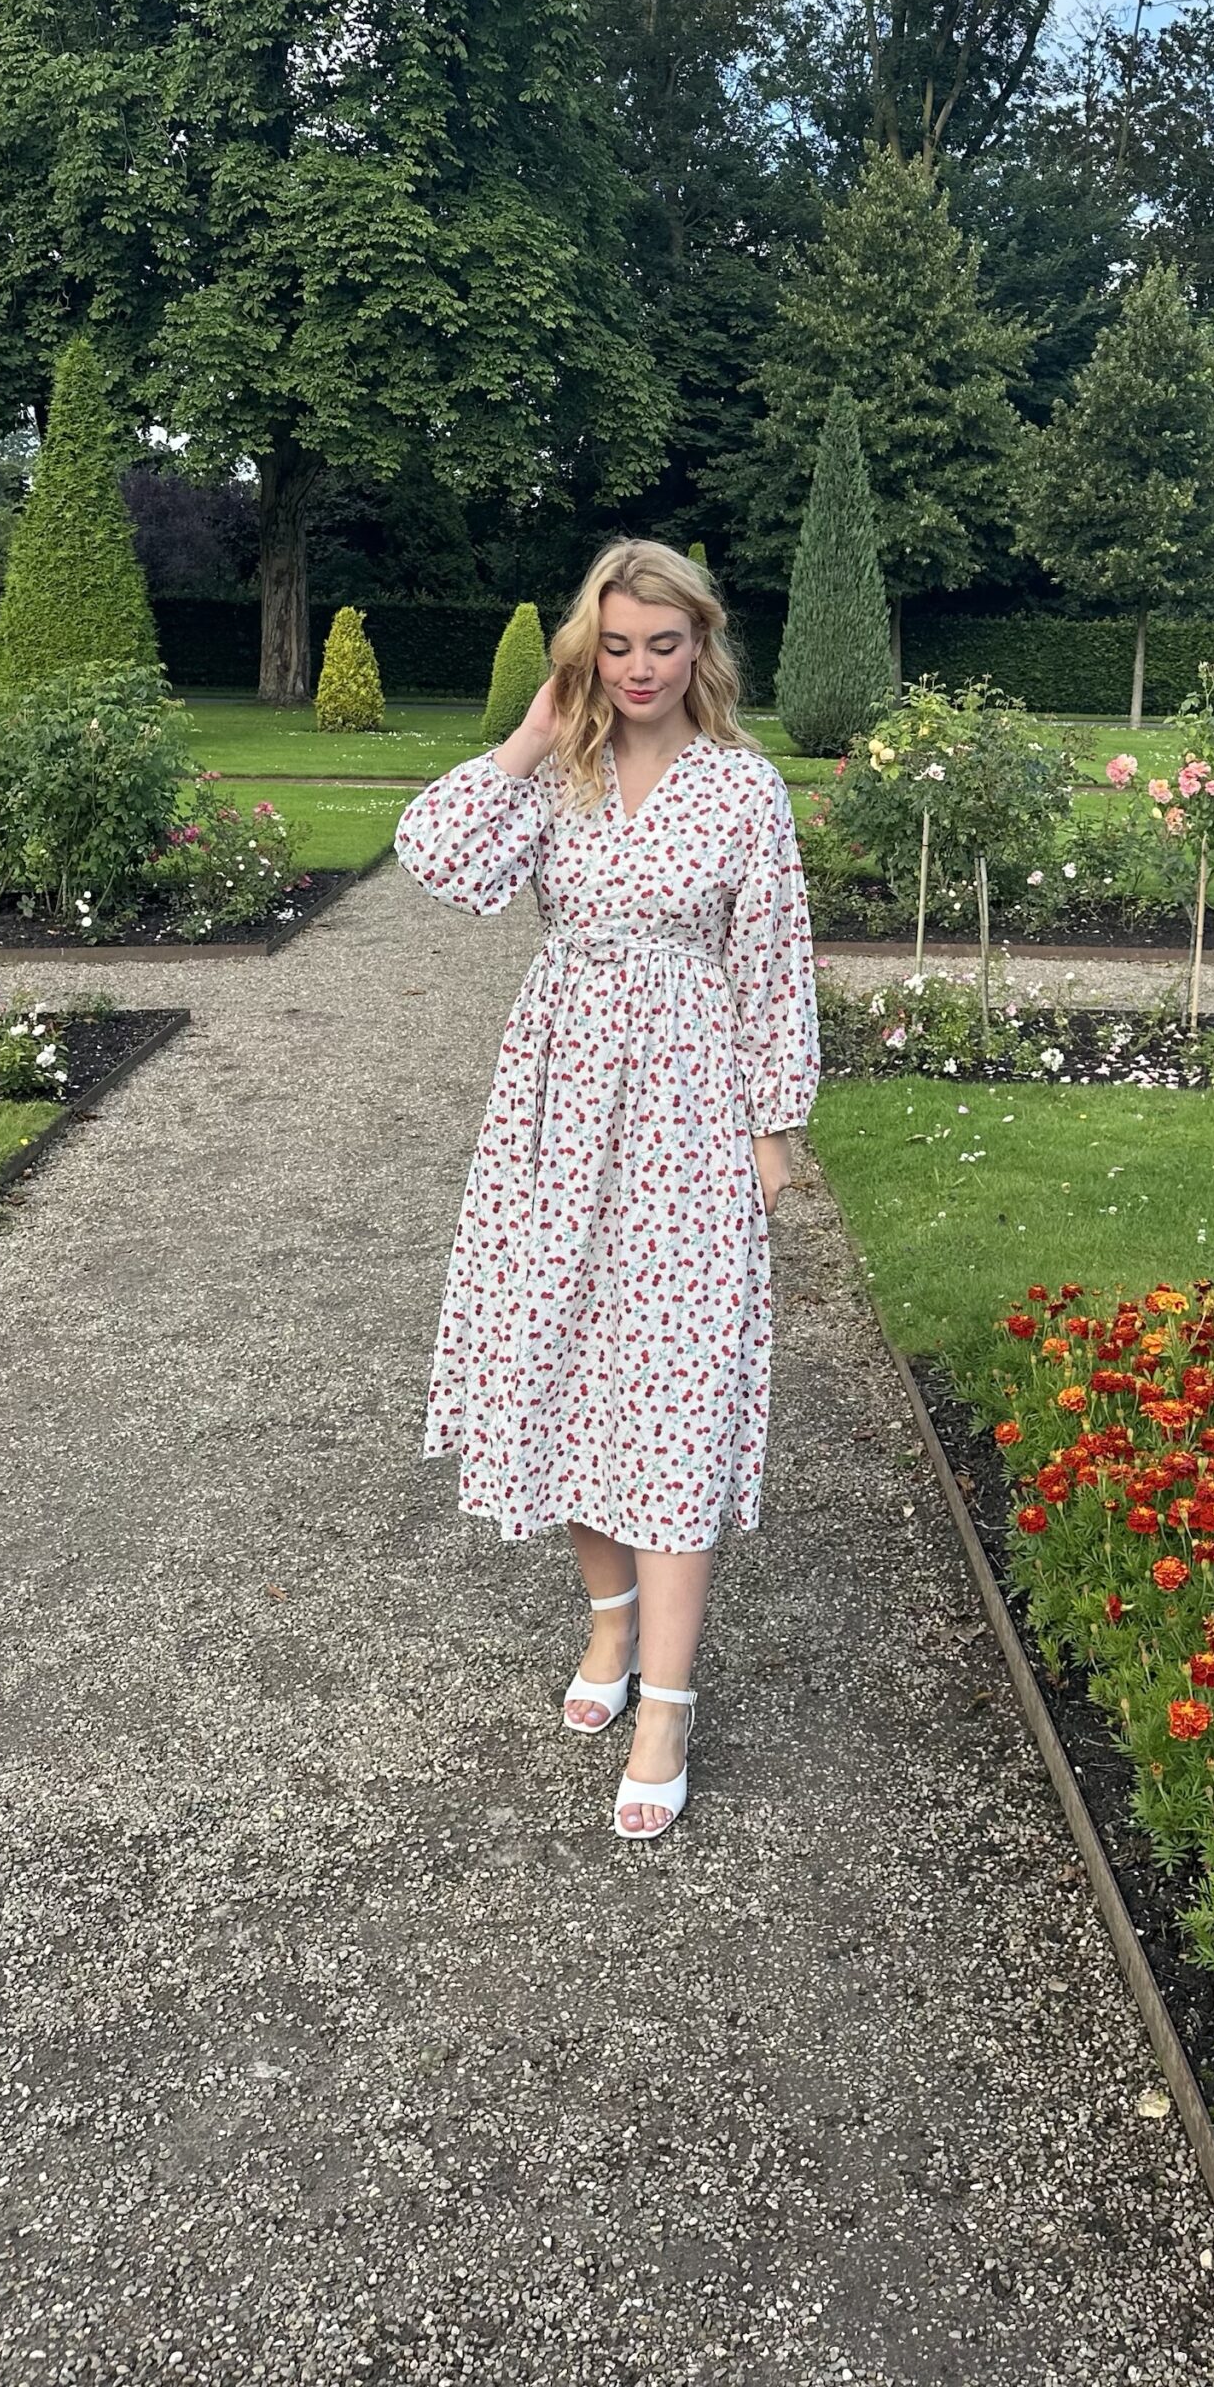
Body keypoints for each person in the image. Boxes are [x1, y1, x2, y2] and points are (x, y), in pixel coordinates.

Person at [394, 538, 821, 1841]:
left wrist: (774, 1131)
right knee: (571, 1369)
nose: (639, 669)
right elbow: (432, 858)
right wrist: (532, 732)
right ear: (590, 650)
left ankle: (668, 1705)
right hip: (556, 1110)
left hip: (689, 1112)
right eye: (617, 645)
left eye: (663, 644)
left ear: (703, 647)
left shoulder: (743, 788)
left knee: (677, 1392)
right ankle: (611, 1626)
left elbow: (775, 960)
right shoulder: (559, 775)